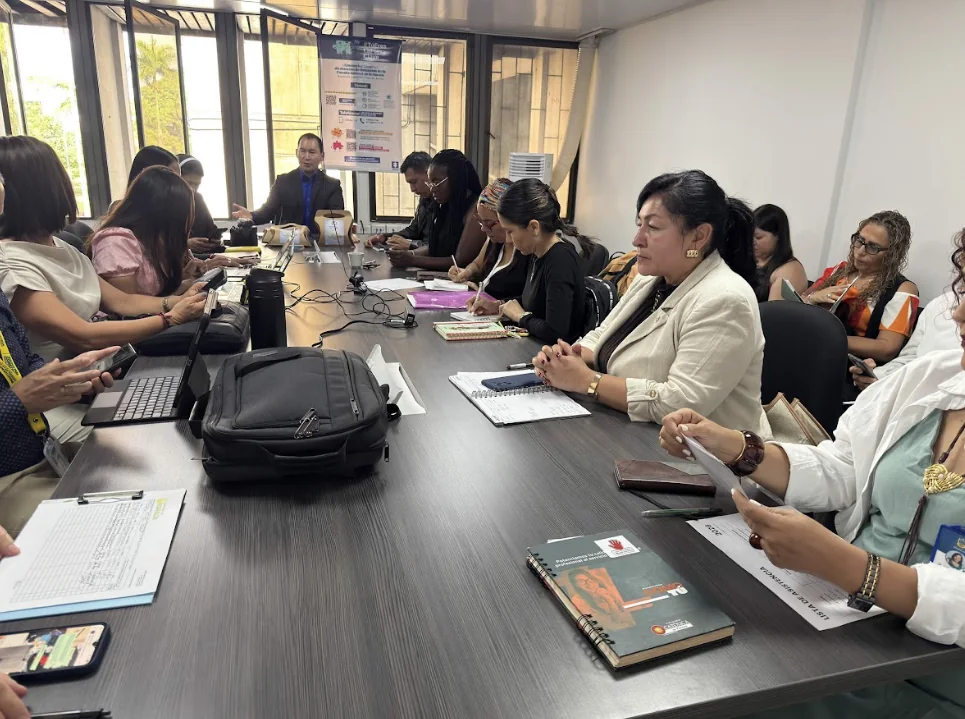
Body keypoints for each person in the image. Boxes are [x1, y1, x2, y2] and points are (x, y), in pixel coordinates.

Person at [658, 233, 965, 718]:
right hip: (848, 626)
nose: (958, 314)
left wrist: (849, 567)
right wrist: (737, 445)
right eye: (964, 286)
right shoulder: (928, 379)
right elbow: (843, 466)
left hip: (935, 675)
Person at [529, 170, 770, 433]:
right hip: (635, 433)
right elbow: (602, 335)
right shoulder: (652, 279)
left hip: (704, 461)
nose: (637, 240)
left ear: (698, 237)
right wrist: (568, 359)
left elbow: (679, 404)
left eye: (652, 227)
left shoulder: (725, 299)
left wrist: (589, 381)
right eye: (639, 224)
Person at [0, 136, 206, 363]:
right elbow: (81, 336)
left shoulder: (63, 248)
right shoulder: (11, 263)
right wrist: (170, 319)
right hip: (66, 391)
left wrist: (180, 302)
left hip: (99, 370)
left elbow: (122, 301)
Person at [467, 178, 585, 343]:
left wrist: (520, 317)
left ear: (534, 227)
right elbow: (536, 302)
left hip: (553, 356)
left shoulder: (560, 260)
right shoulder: (536, 253)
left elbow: (556, 332)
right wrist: (498, 305)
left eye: (510, 231)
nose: (508, 240)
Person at [804, 211, 919, 364]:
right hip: (812, 351)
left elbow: (887, 348)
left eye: (873, 247)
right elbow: (800, 301)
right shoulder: (840, 270)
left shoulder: (903, 289)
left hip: (849, 369)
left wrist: (826, 337)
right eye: (860, 240)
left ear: (892, 254)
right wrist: (813, 299)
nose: (860, 251)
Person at [90, 166, 213, 297]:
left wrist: (185, 278)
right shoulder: (116, 242)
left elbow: (157, 292)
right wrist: (180, 293)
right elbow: (128, 311)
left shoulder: (155, 240)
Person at [387, 149, 486, 271]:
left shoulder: (476, 209)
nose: (433, 189)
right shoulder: (446, 205)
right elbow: (436, 247)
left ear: (455, 179)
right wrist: (408, 255)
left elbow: (459, 261)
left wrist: (412, 259)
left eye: (436, 182)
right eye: (431, 183)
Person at [851, 287, 960, 391]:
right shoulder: (941, 303)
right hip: (903, 395)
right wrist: (877, 377)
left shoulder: (903, 289)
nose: (956, 315)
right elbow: (910, 358)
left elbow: (888, 348)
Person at [231, 133, 344, 230]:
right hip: (288, 242)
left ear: (322, 156)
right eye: (302, 151)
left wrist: (346, 233)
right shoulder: (283, 182)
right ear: (297, 153)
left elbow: (337, 220)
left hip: (320, 243)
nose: (307, 157)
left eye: (312, 152)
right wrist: (251, 215)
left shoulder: (332, 186)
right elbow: (268, 211)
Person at [447, 178, 527, 300]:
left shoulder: (527, 249)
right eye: (480, 222)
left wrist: (492, 303)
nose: (483, 229)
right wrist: (466, 272)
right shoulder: (494, 240)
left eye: (489, 223)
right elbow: (477, 265)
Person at [366, 151, 434, 250]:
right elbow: (413, 230)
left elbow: (440, 249)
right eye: (409, 183)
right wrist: (384, 237)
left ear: (429, 173)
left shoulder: (445, 202)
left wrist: (411, 246)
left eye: (414, 182)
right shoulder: (424, 198)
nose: (412, 189)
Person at [753, 204, 807, 301]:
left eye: (758, 237)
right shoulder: (748, 259)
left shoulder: (789, 270)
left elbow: (774, 313)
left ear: (777, 236)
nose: (752, 242)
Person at [177, 154, 225, 254]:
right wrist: (185, 244)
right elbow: (155, 243)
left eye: (197, 184)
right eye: (189, 183)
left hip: (201, 256)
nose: (193, 189)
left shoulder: (198, 199)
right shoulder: (163, 202)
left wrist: (214, 240)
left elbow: (210, 228)